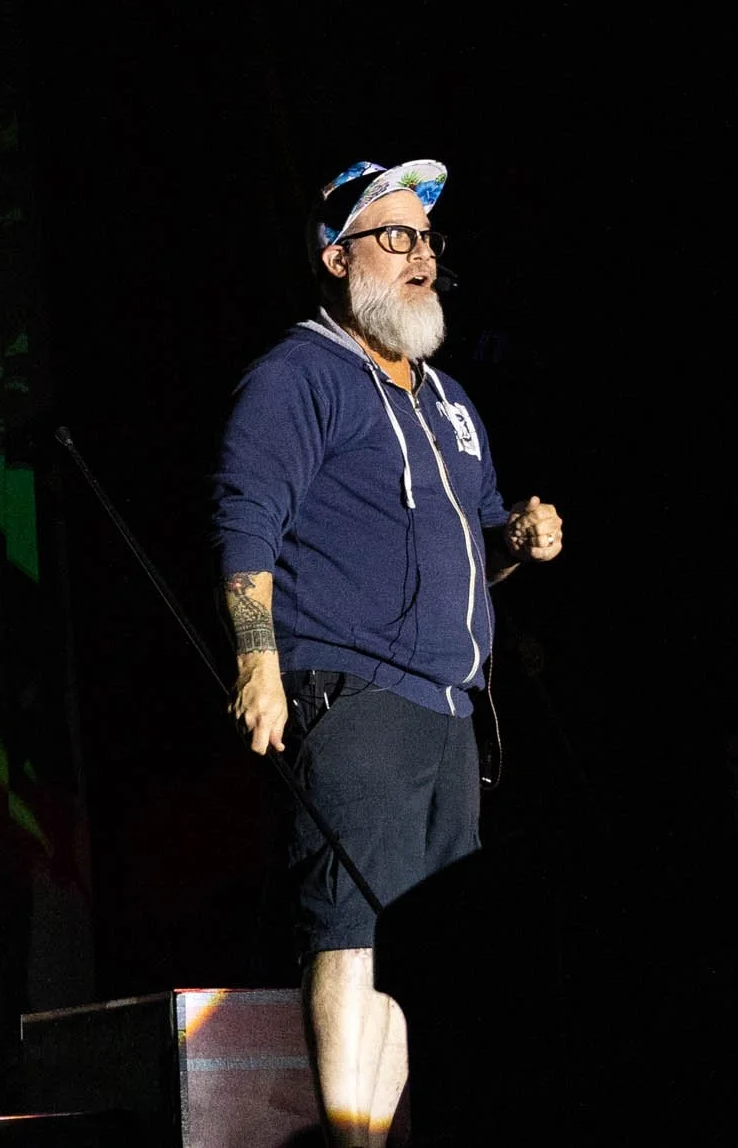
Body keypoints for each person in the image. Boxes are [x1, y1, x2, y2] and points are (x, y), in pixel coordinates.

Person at [211, 160, 563, 1146]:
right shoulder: (299, 375)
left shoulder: (449, 401)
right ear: (337, 258)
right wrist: (256, 661)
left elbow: (471, 546)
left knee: (427, 949)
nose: (418, 258)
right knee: (351, 931)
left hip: (449, 712)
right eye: (393, 237)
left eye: (426, 240)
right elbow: (246, 521)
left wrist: (516, 539)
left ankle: (382, 1132)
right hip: (352, 693)